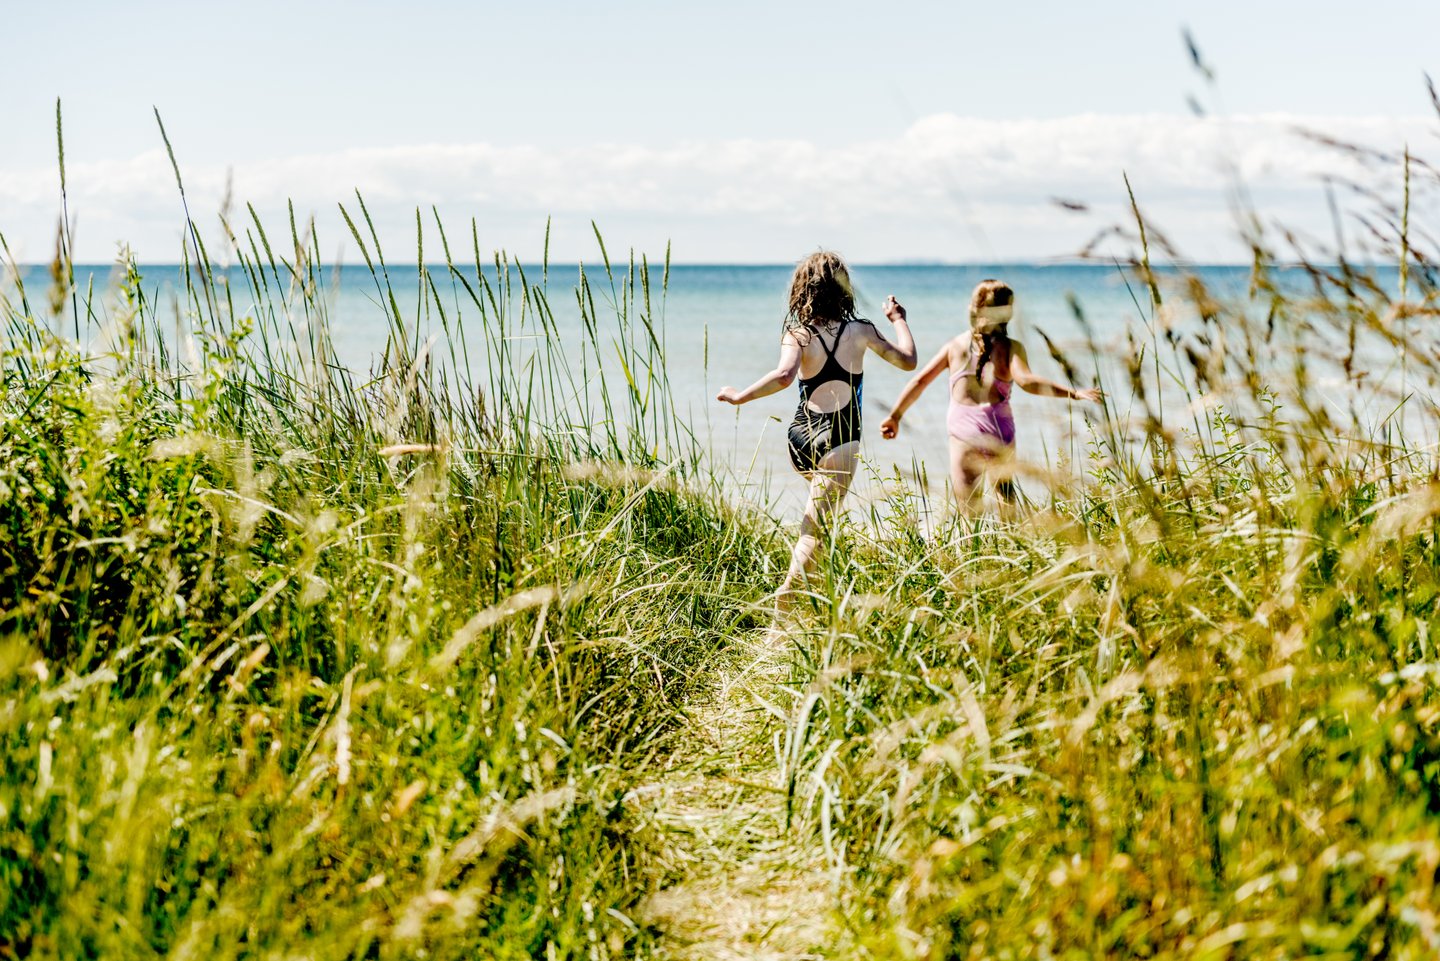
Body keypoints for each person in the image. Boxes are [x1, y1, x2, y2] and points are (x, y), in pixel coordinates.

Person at [717, 251, 916, 616]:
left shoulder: (798, 335)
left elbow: (783, 377)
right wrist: (899, 319)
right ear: (843, 289)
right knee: (814, 529)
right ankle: (787, 599)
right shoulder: (862, 331)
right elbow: (907, 360)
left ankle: (817, 604)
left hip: (800, 436)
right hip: (840, 438)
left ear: (801, 290)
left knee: (823, 520)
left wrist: (741, 396)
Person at [880, 279, 1100, 511]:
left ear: (972, 309)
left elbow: (920, 381)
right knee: (1006, 502)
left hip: (963, 434)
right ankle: (1014, 544)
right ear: (1009, 313)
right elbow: (1027, 381)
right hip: (999, 432)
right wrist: (1073, 393)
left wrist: (895, 416)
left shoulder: (955, 346)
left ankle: (973, 546)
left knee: (968, 510)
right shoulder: (1011, 348)